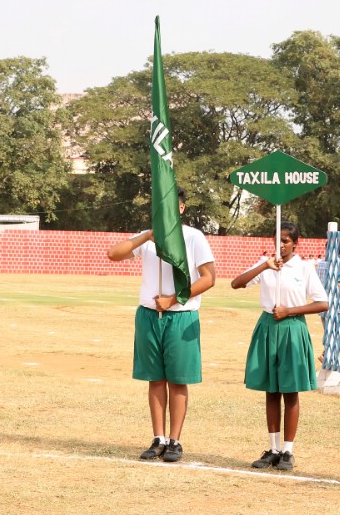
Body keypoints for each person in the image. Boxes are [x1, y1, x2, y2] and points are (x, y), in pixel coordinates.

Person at [107, 187, 216, 463]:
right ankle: (158, 439)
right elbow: (113, 254)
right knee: (155, 379)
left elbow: (209, 278)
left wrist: (174, 299)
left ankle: (175, 441)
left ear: (181, 208)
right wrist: (146, 236)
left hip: (181, 316)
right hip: (148, 316)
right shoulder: (148, 237)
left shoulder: (193, 237)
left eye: (171, 206)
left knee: (177, 380)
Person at [231, 222, 328, 471]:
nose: (281, 245)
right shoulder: (266, 265)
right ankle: (272, 449)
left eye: (285, 240)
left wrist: (289, 311)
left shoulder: (304, 268)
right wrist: (265, 265)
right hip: (268, 326)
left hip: (292, 327)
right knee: (271, 390)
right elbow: (236, 283)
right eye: (277, 240)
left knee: (290, 390)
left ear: (295, 243)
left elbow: (322, 303)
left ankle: (287, 450)